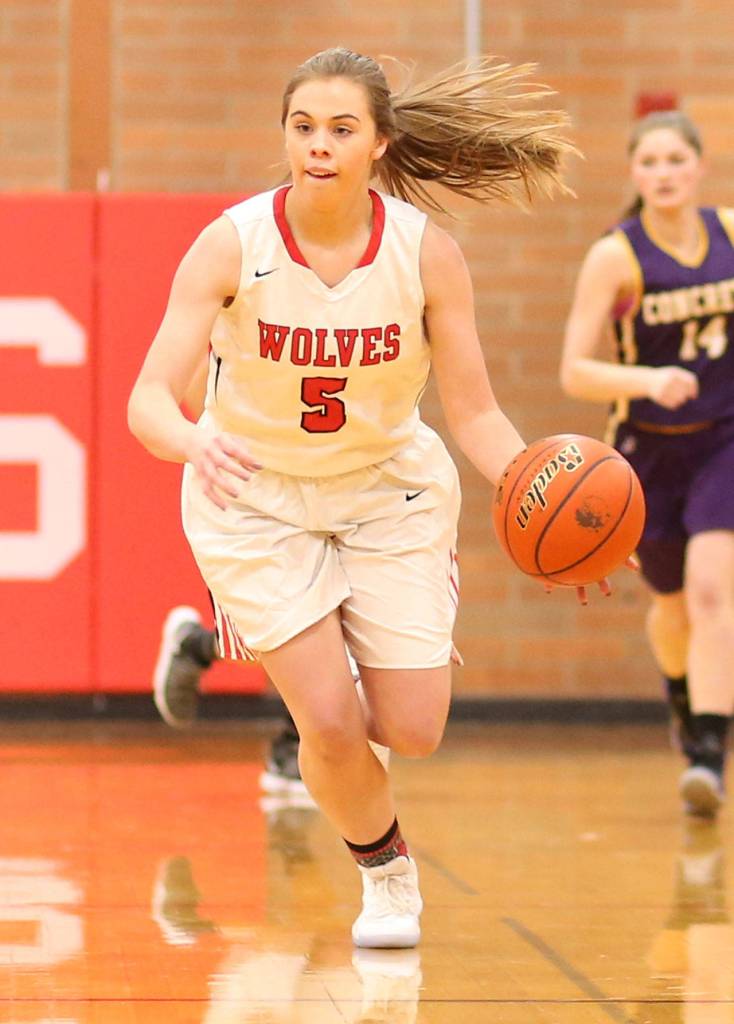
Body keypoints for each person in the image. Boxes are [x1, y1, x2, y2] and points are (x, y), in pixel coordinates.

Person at [128, 46, 577, 948]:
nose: (318, 146)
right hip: (255, 496)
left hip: (387, 494)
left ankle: (210, 640)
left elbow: (477, 413)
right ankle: (388, 874)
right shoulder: (233, 243)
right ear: (284, 137)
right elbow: (147, 399)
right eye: (303, 128)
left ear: (379, 144)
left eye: (340, 130)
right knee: (328, 721)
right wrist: (194, 437)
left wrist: (543, 489)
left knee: (411, 730)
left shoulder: (425, 254)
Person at [560, 109, 734, 818]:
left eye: (675, 160)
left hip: (724, 438)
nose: (663, 174)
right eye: (649, 163)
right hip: (648, 450)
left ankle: (709, 756)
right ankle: (682, 698)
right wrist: (646, 381)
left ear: (698, 166)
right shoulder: (615, 255)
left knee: (713, 591)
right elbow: (573, 369)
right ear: (635, 173)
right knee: (670, 606)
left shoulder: (730, 232)